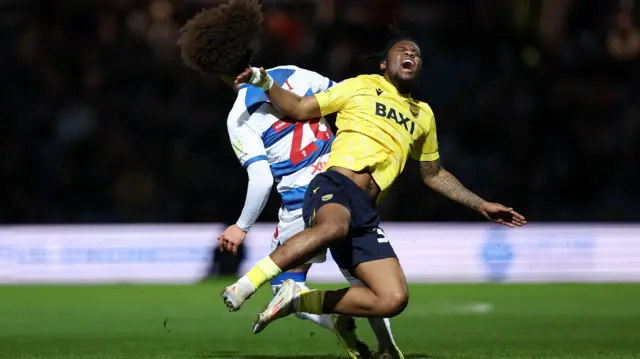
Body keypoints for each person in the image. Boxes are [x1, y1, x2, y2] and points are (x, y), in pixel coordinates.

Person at [222, 27, 527, 334]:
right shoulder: (359, 86)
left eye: (417, 54)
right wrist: (264, 81)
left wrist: (481, 203)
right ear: (383, 64)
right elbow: (299, 107)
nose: (411, 54)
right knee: (333, 227)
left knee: (393, 298)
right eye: (403, 50)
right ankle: (247, 284)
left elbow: (434, 174)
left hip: (365, 211)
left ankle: (299, 301)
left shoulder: (424, 115)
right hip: (334, 185)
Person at [177, 2, 403, 358]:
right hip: (342, 185)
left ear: (218, 73)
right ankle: (387, 348)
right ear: (249, 51)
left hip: (302, 204)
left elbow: (262, 180)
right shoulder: (294, 74)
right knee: (364, 279)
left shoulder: (239, 119)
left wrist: (241, 226)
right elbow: (344, 102)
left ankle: (333, 319)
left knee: (288, 288)